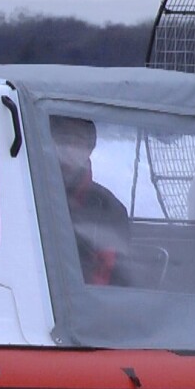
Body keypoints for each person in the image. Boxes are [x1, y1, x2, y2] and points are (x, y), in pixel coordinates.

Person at [50, 115, 132, 285]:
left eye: (77, 140)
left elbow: (104, 279)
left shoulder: (110, 209)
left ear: (90, 147)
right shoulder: (24, 191)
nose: (69, 148)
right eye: (63, 138)